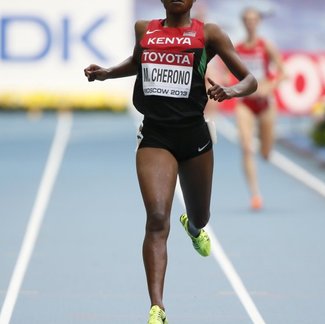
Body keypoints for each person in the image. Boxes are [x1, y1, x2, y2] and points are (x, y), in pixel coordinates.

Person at [83, 0, 257, 323]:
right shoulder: (145, 30)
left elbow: (251, 79)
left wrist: (231, 92)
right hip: (156, 137)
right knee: (157, 217)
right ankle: (157, 307)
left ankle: (193, 228)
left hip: (195, 140)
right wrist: (107, 74)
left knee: (201, 216)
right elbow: (139, 63)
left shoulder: (210, 35)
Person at [234, 7, 285, 210]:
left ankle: (266, 149)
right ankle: (255, 195)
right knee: (247, 147)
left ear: (259, 22)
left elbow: (283, 72)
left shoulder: (266, 46)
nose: (250, 23)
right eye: (247, 19)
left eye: (254, 19)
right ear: (243, 22)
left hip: (265, 104)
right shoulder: (237, 48)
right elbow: (232, 75)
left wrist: (268, 87)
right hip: (245, 104)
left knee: (265, 152)